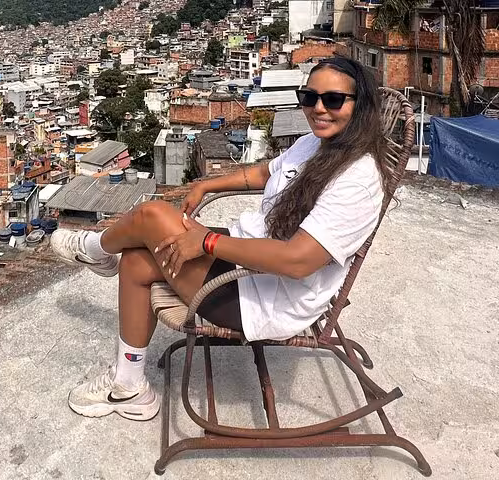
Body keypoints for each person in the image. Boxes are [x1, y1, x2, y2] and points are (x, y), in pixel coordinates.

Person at [49, 56, 392, 421]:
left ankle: (94, 249)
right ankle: (129, 385)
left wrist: (207, 242)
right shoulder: (318, 144)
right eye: (309, 97)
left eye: (334, 100)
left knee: (153, 215)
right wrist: (206, 183)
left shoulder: (358, 179)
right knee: (135, 260)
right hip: (249, 260)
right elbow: (265, 172)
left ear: (360, 106)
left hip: (263, 296)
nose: (319, 108)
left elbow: (298, 260)